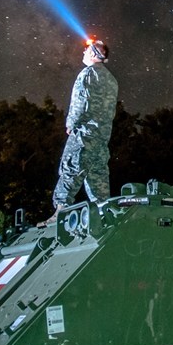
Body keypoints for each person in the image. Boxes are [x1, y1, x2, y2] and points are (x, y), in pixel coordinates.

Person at [44, 38, 119, 224]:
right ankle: (105, 216)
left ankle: (59, 215)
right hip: (102, 138)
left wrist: (71, 123)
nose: (83, 53)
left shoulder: (87, 73)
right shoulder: (111, 80)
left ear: (94, 54)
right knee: (98, 176)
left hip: (85, 134)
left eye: (86, 51)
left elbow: (79, 103)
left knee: (71, 168)